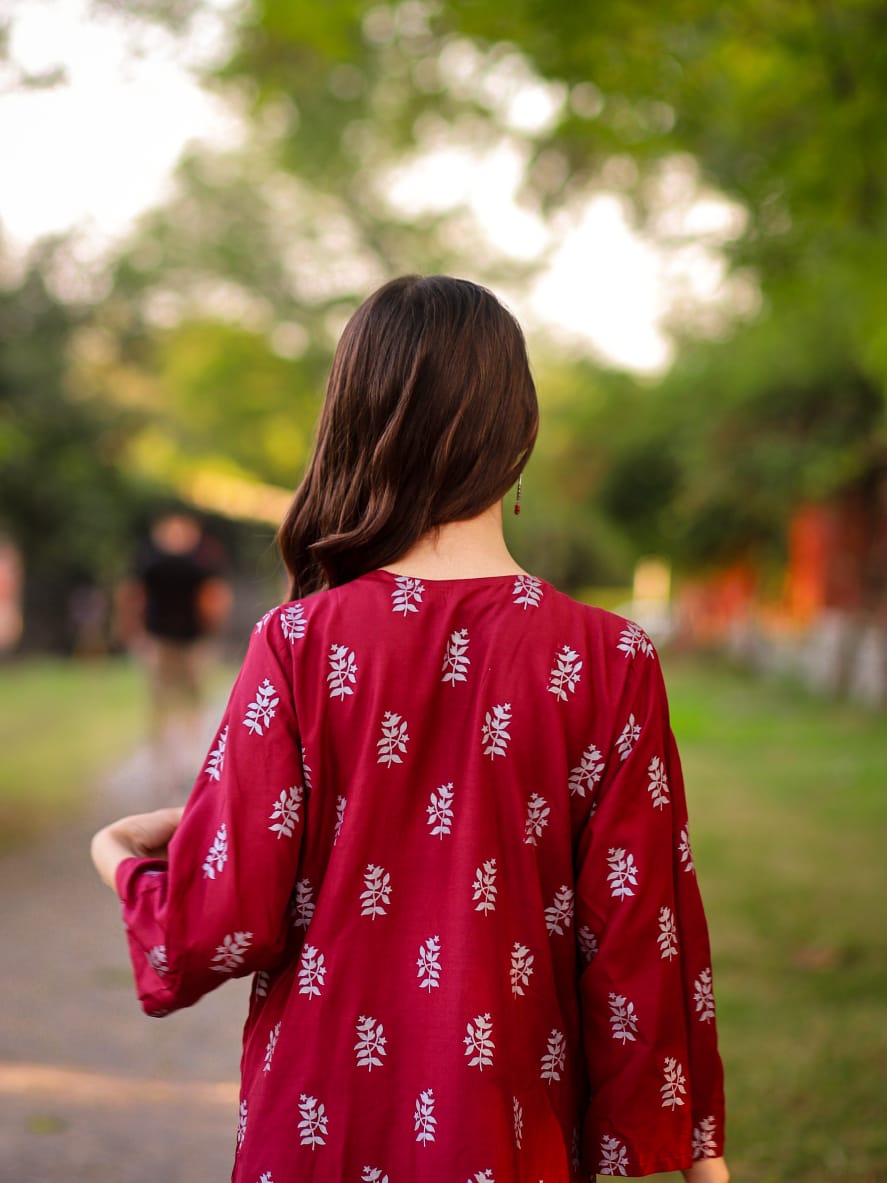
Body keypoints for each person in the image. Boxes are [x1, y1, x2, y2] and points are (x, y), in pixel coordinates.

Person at [91, 276, 729, 1183]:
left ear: (351, 429)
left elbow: (216, 922)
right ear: (523, 435)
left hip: (317, 1138)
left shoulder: (299, 642)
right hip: (511, 1140)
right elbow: (641, 943)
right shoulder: (612, 658)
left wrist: (120, 850)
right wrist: (700, 1159)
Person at [116, 511, 232, 800]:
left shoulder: (204, 557)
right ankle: (163, 770)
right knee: (161, 705)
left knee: (193, 703)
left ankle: (192, 765)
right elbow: (133, 595)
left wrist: (210, 634)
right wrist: (135, 634)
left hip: (193, 642)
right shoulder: (149, 557)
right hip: (159, 641)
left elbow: (215, 597)